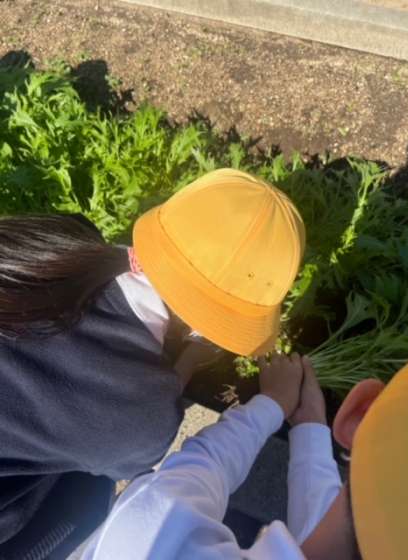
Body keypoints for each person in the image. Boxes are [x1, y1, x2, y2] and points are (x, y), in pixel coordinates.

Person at [0, 168, 305, 557]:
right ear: (205, 326)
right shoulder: (138, 420)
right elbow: (128, 458)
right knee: (90, 497)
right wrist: (192, 356)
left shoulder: (57, 236)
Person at [81, 354, 408, 560]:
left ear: (358, 415)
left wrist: (273, 402)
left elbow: (198, 470)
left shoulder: (153, 543)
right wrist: (309, 427)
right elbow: (337, 529)